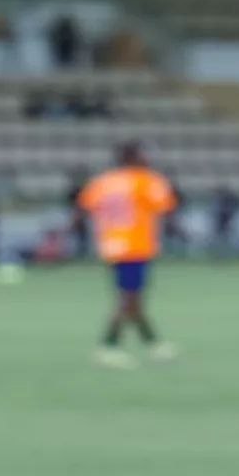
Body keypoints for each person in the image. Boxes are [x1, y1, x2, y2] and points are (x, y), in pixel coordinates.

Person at [75, 142, 179, 369]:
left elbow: (82, 209)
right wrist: (180, 232)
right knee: (128, 299)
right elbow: (167, 210)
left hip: (110, 246)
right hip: (134, 246)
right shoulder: (146, 180)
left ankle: (153, 343)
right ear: (133, 157)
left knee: (133, 299)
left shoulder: (103, 182)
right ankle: (108, 346)